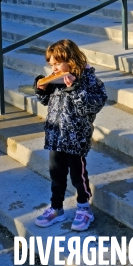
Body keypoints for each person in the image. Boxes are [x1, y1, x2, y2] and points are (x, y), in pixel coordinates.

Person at [33, 39, 107, 231]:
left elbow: (94, 105)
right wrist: (42, 90)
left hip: (76, 137)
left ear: (71, 59)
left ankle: (84, 208)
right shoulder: (57, 79)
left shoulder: (88, 79)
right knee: (56, 174)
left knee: (78, 175)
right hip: (56, 134)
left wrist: (75, 89)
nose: (54, 68)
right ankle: (56, 208)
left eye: (57, 63)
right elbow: (47, 102)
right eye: (51, 64)